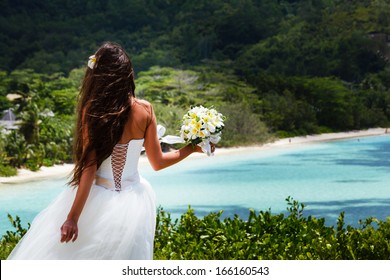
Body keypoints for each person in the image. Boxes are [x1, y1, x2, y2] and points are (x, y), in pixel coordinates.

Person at [8, 42, 214, 260]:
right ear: (127, 74)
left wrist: (73, 218)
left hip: (97, 201)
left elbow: (89, 168)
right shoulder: (145, 110)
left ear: (100, 75)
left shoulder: (93, 110)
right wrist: (191, 148)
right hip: (135, 202)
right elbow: (158, 162)